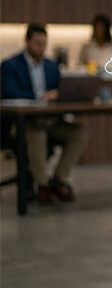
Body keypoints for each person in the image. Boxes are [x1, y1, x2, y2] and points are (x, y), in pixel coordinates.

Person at [1, 24, 87, 204]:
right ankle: (42, 186)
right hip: (22, 123)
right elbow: (9, 91)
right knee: (36, 132)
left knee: (79, 132)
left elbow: (60, 90)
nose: (41, 48)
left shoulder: (51, 65)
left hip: (50, 121)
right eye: (37, 43)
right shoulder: (10, 66)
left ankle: (58, 180)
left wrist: (60, 95)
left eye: (44, 44)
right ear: (27, 42)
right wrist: (39, 96)